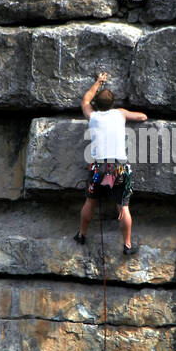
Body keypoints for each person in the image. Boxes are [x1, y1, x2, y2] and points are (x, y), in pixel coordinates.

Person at [74, 71, 148, 256]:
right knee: (123, 206)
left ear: (96, 105)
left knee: (90, 202)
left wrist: (98, 82)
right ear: (112, 103)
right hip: (118, 168)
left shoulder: (92, 116)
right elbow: (142, 117)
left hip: (98, 167)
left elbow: (85, 100)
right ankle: (127, 245)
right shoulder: (120, 114)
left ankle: (81, 234)